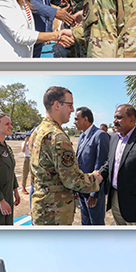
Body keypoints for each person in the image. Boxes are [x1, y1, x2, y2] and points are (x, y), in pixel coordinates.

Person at [29, 87, 101, 225]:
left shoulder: (37, 131)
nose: (72, 110)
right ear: (57, 105)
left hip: (42, 208)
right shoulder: (57, 136)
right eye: (70, 105)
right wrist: (95, 178)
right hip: (55, 212)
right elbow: (71, 180)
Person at [74, 106, 110, 225]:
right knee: (85, 221)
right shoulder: (82, 136)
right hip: (82, 188)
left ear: (85, 119)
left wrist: (94, 193)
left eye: (76, 119)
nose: (74, 122)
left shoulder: (100, 135)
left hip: (94, 190)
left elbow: (101, 165)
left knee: (96, 223)